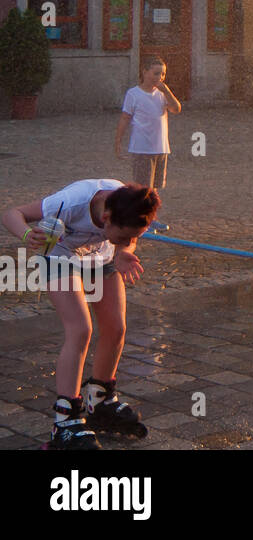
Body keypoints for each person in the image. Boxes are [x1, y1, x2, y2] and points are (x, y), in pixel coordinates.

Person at [1, 181, 160, 449]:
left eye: (134, 236)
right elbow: (12, 214)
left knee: (116, 326)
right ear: (106, 218)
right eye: (124, 236)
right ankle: (65, 421)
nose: (129, 241)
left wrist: (123, 250)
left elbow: (128, 241)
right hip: (61, 255)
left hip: (101, 258)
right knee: (80, 329)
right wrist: (27, 235)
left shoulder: (130, 205)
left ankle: (100, 399)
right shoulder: (71, 203)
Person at [113, 56, 180, 195]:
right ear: (145, 72)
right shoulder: (134, 94)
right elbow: (125, 118)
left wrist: (167, 91)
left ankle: (150, 214)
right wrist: (118, 141)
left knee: (154, 189)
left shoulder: (162, 94)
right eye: (156, 73)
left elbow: (176, 109)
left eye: (163, 74)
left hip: (160, 148)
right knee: (142, 190)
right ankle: (140, 214)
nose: (160, 77)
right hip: (142, 148)